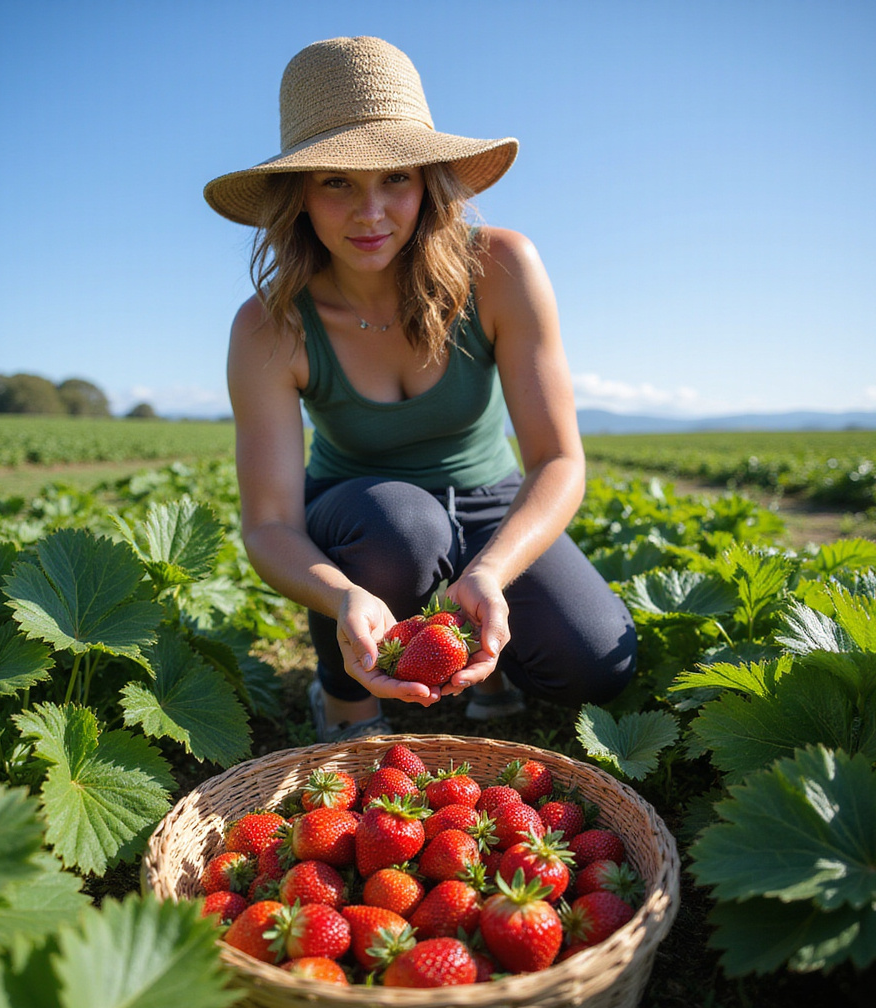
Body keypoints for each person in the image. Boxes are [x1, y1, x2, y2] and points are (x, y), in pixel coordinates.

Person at [205, 36, 636, 742]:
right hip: (364, 519)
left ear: (428, 181)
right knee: (403, 531)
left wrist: (492, 572)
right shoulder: (269, 326)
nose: (371, 212)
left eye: (396, 178)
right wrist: (342, 594)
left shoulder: (501, 267)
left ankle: (485, 661)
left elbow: (559, 460)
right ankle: (345, 703)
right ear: (298, 194)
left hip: (492, 501)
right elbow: (270, 525)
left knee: (595, 664)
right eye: (337, 182)